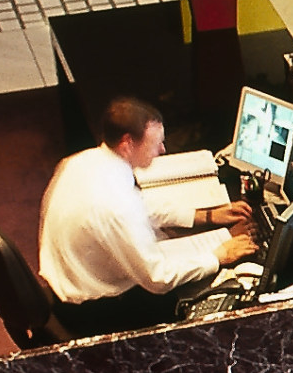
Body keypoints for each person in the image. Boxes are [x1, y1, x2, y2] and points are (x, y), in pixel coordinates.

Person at [38, 95, 254, 328]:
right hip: (95, 309)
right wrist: (219, 255)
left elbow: (141, 206)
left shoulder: (83, 161)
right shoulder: (115, 206)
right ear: (127, 143)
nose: (162, 149)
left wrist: (204, 215)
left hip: (72, 278)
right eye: (155, 143)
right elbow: (158, 278)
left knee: (180, 248)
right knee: (218, 289)